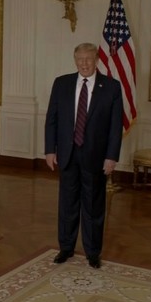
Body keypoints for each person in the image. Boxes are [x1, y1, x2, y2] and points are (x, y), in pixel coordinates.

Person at [44, 42, 123, 269]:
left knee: (93, 205)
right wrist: (50, 149)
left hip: (96, 157)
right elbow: (52, 119)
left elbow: (115, 127)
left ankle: (92, 252)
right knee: (67, 204)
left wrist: (111, 157)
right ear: (75, 60)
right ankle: (66, 248)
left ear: (96, 60)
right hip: (67, 154)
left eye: (88, 59)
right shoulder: (62, 83)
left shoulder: (111, 87)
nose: (84, 64)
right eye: (80, 59)